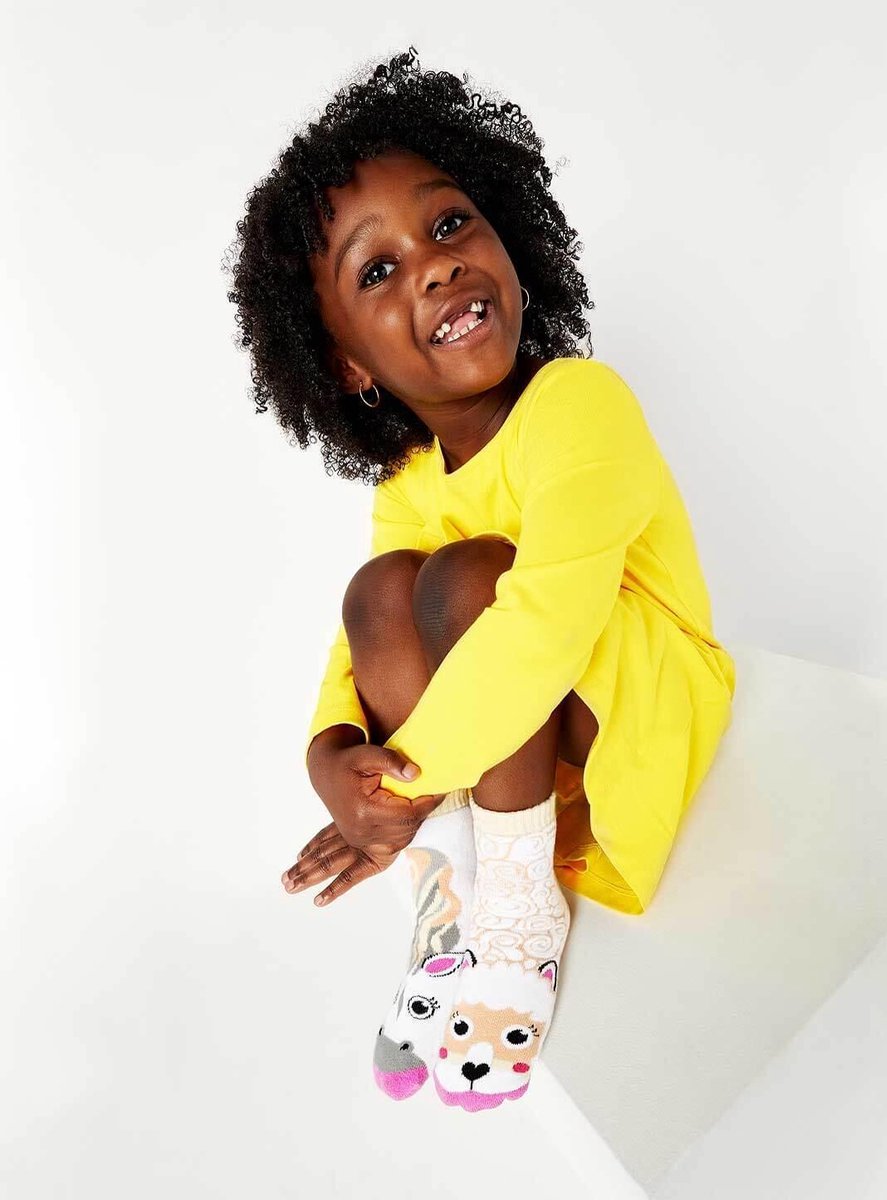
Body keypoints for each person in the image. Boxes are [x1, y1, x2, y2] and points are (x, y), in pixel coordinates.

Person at [226, 46, 736, 1110]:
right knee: (379, 592)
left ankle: (515, 906)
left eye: (450, 223)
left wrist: (400, 791)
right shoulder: (412, 478)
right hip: (504, 752)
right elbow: (356, 649)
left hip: (640, 716)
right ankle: (454, 886)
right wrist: (334, 762)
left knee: (469, 582)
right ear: (348, 366)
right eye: (377, 272)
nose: (434, 266)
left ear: (506, 236)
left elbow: (544, 625)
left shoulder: (579, 402)